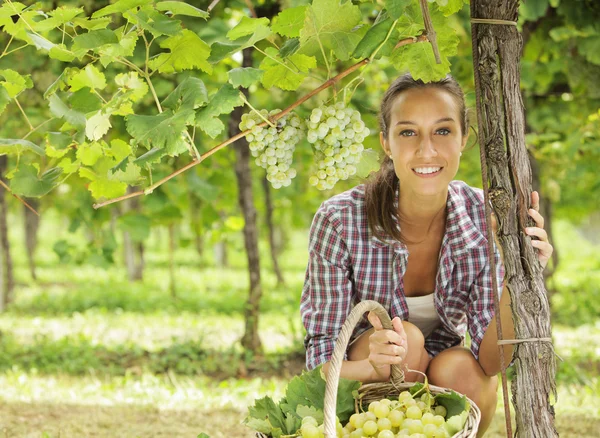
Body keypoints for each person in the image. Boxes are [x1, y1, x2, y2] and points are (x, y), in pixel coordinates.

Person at [300, 73, 554, 436]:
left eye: (443, 131)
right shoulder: (339, 220)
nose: (427, 149)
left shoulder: (486, 219)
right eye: (407, 132)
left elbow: (493, 359)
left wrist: (522, 275)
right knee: (407, 343)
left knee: (464, 370)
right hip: (362, 376)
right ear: (386, 143)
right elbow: (319, 363)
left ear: (464, 139)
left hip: (439, 370)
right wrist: (371, 365)